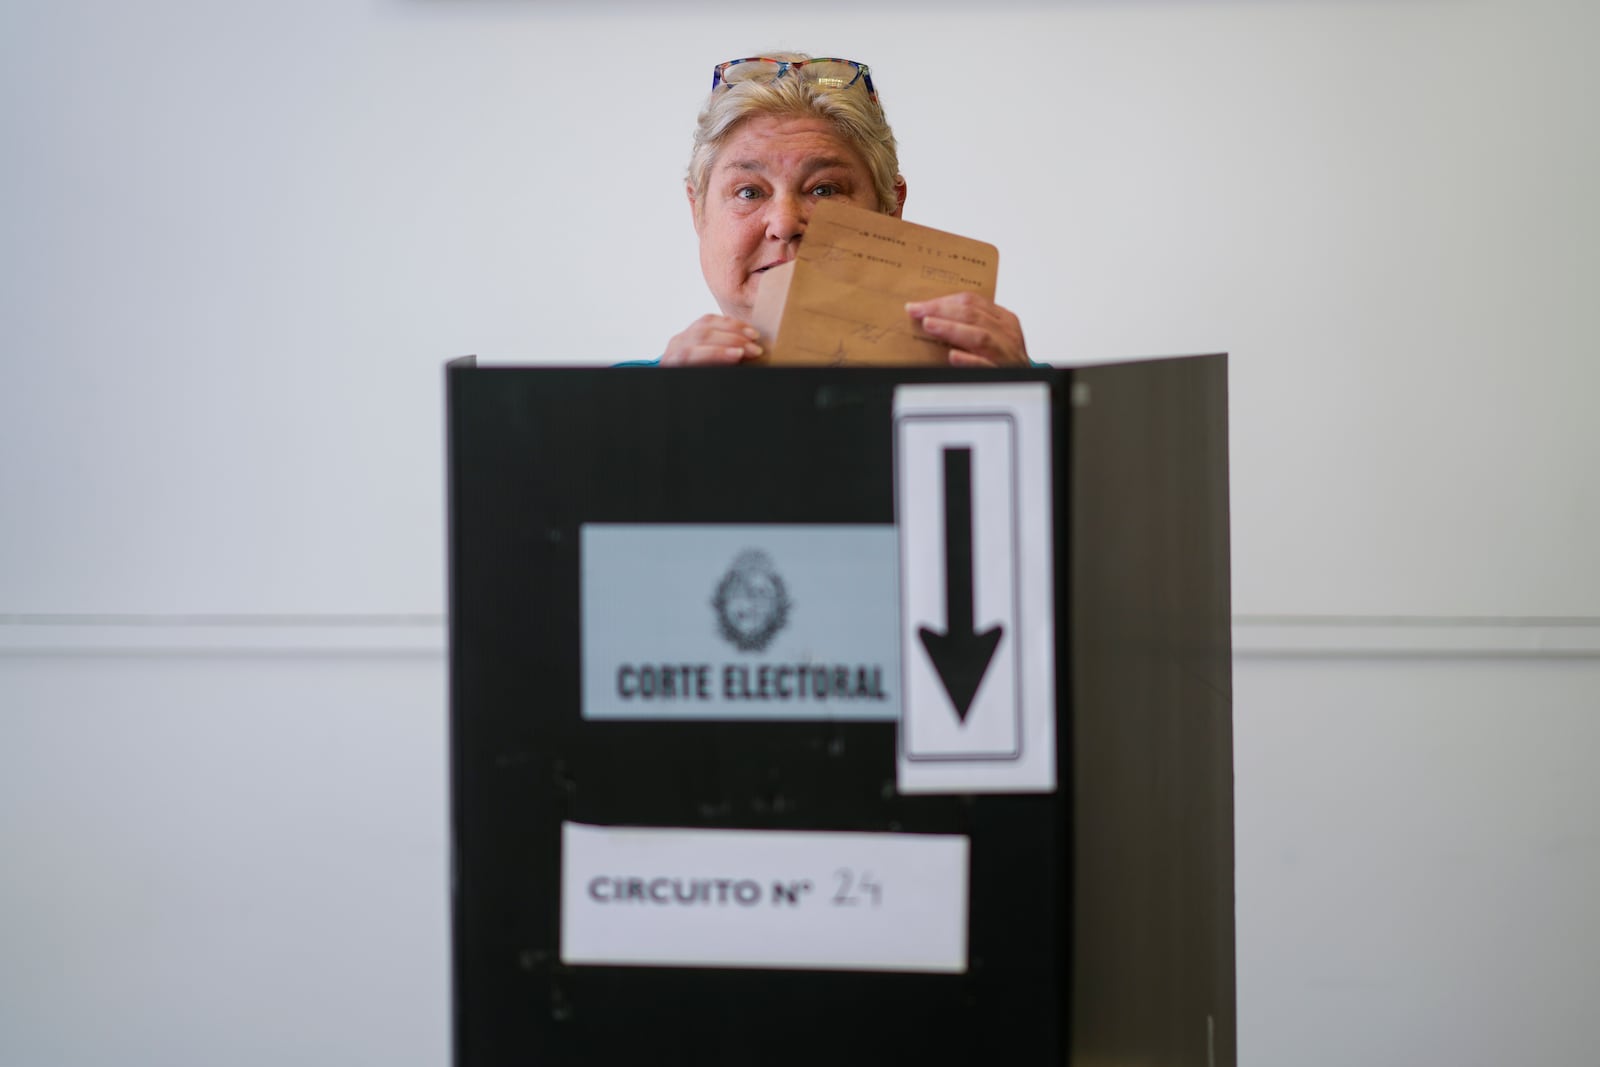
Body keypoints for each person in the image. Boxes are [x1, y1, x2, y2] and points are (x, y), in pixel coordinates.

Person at [660, 54, 1030, 368]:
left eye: (824, 189)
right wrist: (647, 409)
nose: (785, 223)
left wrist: (1027, 396)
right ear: (698, 211)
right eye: (749, 192)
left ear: (890, 207)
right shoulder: (629, 398)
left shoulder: (1005, 372)